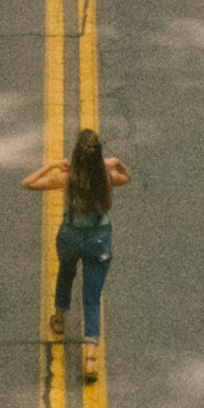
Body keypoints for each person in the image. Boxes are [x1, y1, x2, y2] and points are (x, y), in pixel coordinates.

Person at [22, 127, 131, 383]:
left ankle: (59, 318)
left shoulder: (67, 180)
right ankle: (91, 358)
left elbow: (27, 183)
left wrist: (52, 166)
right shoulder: (106, 177)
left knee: (66, 272)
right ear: (98, 157)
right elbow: (127, 177)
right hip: (99, 238)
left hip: (71, 236)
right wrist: (117, 164)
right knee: (92, 298)